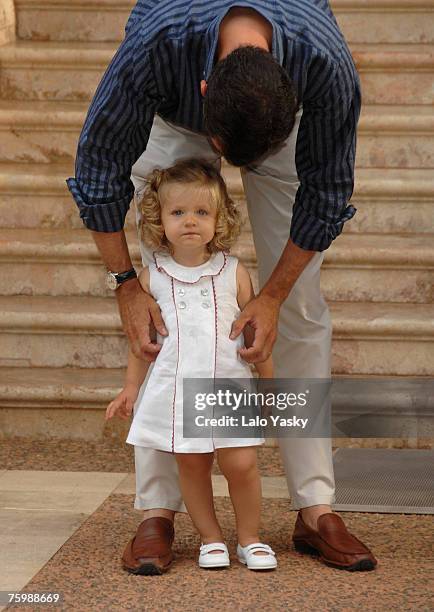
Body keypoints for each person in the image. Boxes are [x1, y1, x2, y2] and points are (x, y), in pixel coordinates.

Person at [67, 1, 378, 573]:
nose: (227, 168)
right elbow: (98, 173)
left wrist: (273, 294)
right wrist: (126, 285)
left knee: (302, 309)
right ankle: (157, 512)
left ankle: (315, 508)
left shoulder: (326, 67)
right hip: (172, 115)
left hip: (274, 118)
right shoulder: (157, 46)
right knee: (163, 305)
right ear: (205, 87)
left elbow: (327, 195)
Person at [105, 159, 277, 572]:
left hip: (229, 387)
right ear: (158, 219)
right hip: (178, 390)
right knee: (193, 465)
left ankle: (250, 538)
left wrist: (271, 385)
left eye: (202, 212)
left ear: (218, 220)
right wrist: (131, 387)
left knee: (242, 464)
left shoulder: (234, 273)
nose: (190, 222)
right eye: (178, 212)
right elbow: (141, 343)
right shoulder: (152, 278)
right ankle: (211, 538)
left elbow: (256, 338)